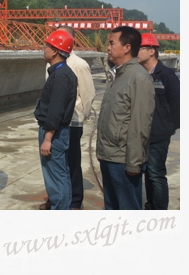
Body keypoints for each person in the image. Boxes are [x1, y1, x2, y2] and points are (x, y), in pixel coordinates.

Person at [97, 26, 155, 210]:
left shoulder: (139, 78)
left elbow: (140, 125)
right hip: (108, 156)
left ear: (127, 47)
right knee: (112, 209)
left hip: (123, 160)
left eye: (112, 43)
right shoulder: (118, 75)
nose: (108, 48)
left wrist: (134, 163)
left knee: (127, 210)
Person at [40, 26, 95, 210]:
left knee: (69, 163)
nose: (45, 47)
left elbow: (88, 93)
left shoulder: (77, 65)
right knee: (57, 166)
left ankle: (73, 201)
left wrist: (84, 116)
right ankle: (56, 199)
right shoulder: (54, 65)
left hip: (70, 121)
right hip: (56, 121)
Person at [34, 30, 77, 210]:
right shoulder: (63, 73)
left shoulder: (60, 76)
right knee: (61, 174)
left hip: (54, 133)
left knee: (56, 177)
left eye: (47, 46)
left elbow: (56, 110)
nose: (44, 49)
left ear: (55, 51)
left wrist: (48, 138)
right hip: (58, 132)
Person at [138, 33, 180, 210]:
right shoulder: (139, 75)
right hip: (142, 133)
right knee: (147, 172)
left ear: (151, 51)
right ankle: (150, 206)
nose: (136, 52)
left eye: (140, 48)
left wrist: (169, 127)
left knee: (156, 174)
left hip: (159, 134)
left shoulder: (167, 75)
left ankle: (160, 211)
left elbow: (177, 104)